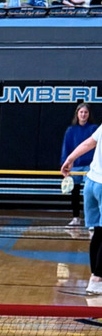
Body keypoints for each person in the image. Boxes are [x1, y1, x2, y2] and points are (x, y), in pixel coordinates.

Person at [61, 122, 102, 295]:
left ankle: (96, 276)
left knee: (98, 232)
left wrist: (69, 159)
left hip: (90, 183)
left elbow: (87, 143)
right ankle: (96, 279)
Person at [61, 103, 96, 226]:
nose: (83, 114)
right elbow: (66, 148)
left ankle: (91, 220)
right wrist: (65, 164)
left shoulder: (94, 129)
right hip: (75, 166)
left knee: (90, 194)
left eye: (86, 112)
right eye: (81, 112)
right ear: (77, 114)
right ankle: (76, 217)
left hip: (89, 168)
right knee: (75, 193)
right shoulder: (71, 130)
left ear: (89, 114)